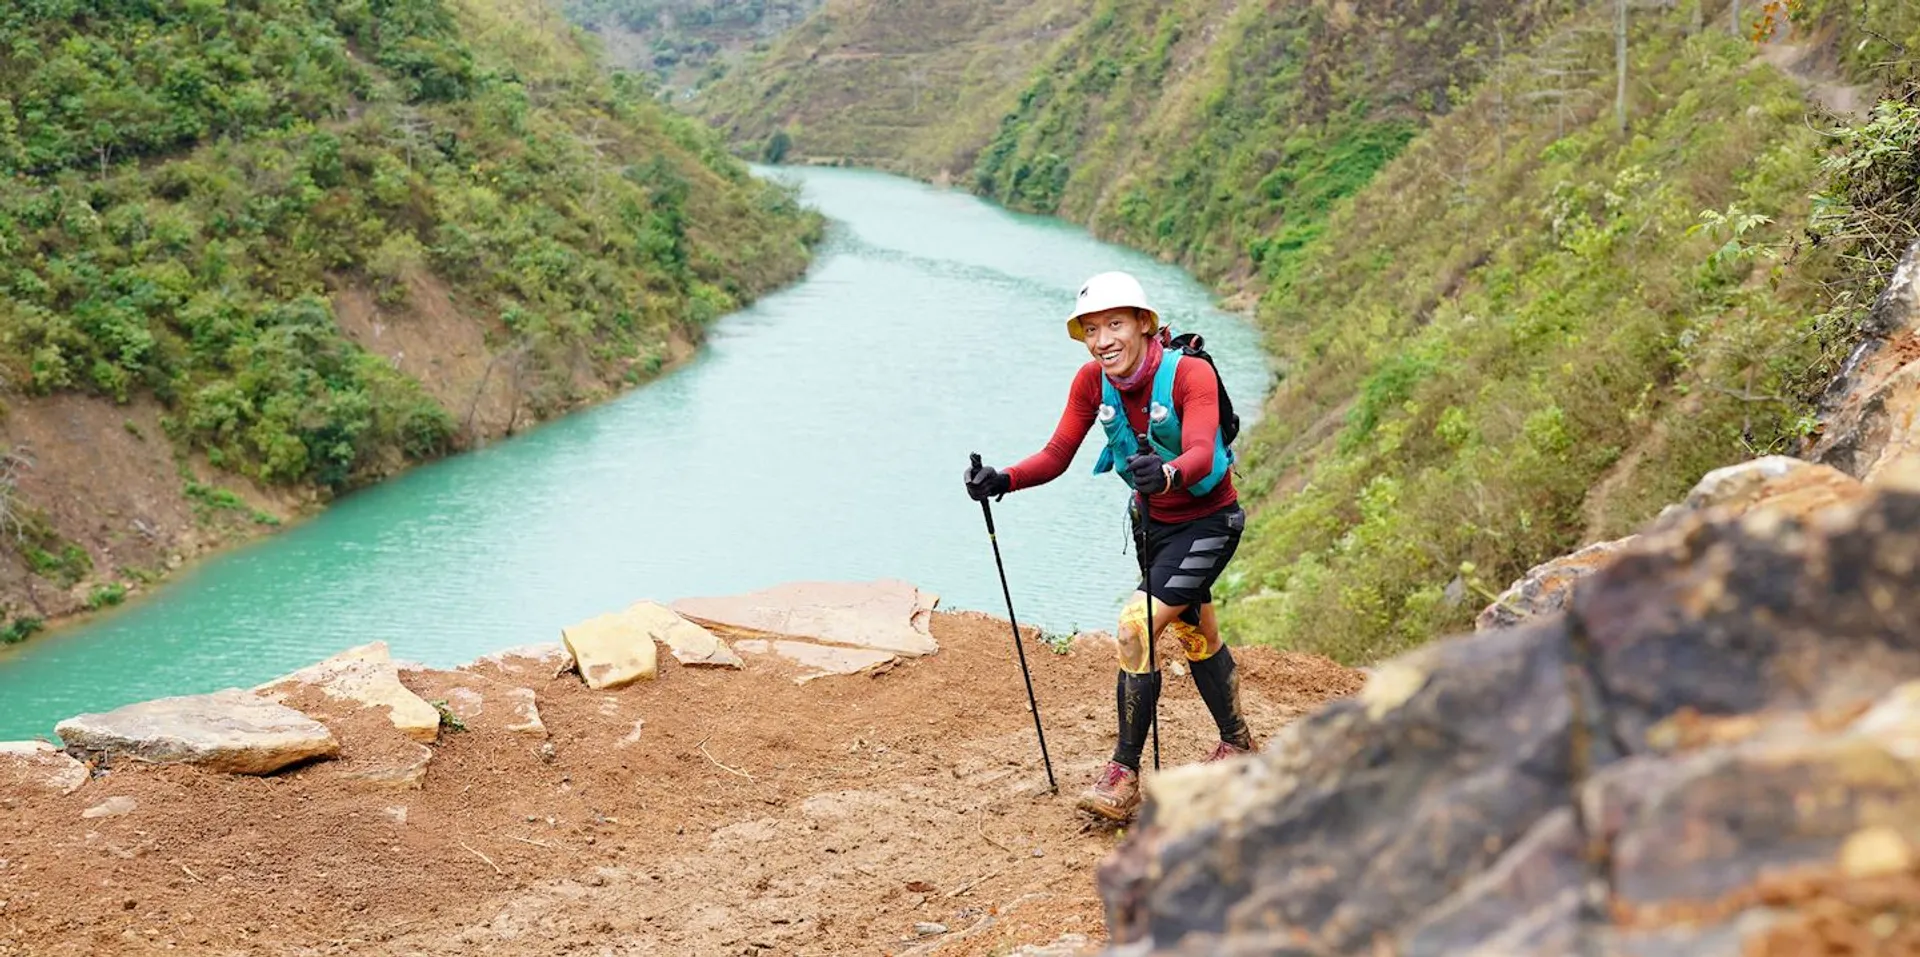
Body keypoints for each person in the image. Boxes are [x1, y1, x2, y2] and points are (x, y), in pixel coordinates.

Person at [963, 270, 1255, 822]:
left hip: (1209, 523)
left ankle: (1123, 775)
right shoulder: (1091, 383)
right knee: (1197, 632)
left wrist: (1166, 474)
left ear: (1144, 324)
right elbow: (1056, 454)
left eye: (1114, 324)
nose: (1103, 341)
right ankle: (1238, 747)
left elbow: (1200, 451)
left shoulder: (1190, 375)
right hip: (1152, 527)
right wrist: (1002, 480)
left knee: (1136, 625)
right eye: (1091, 330)